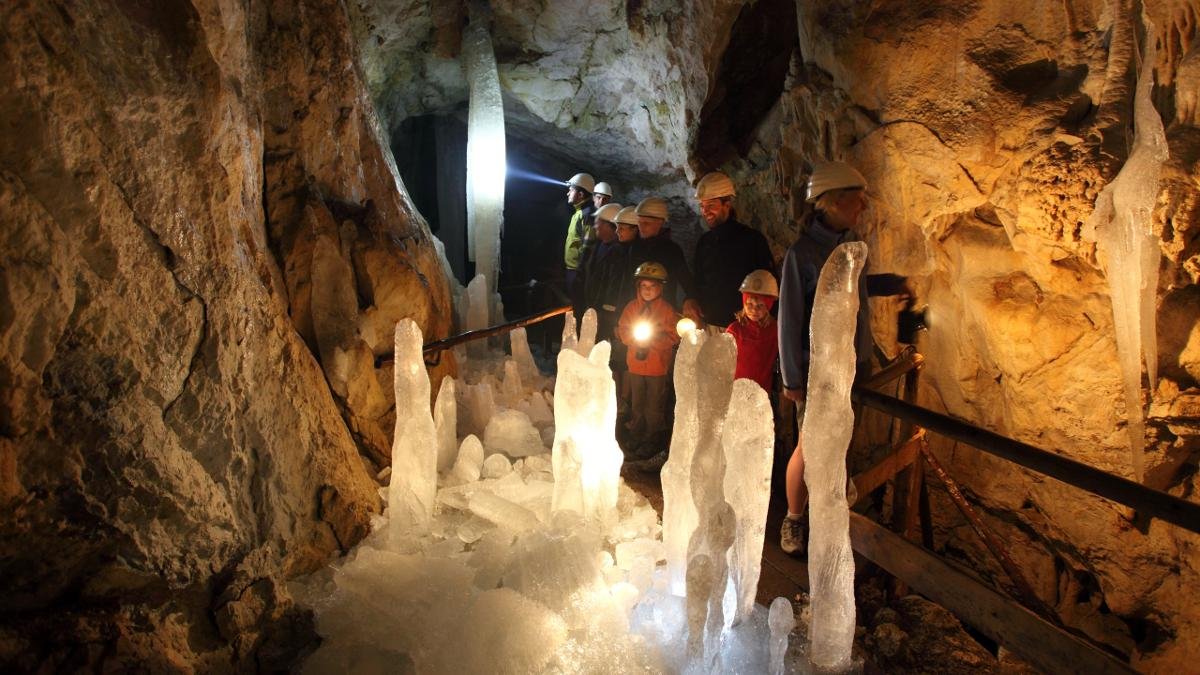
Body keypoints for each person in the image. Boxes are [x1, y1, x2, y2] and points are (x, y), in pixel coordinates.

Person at [777, 161, 908, 556]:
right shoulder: (801, 254)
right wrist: (791, 378)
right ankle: (794, 519)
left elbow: (856, 290)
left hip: (853, 365)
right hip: (817, 369)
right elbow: (790, 315)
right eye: (857, 200)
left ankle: (828, 514)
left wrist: (894, 283)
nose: (863, 207)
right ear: (830, 203)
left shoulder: (850, 246)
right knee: (809, 444)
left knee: (841, 441)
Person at [686, 172, 775, 328]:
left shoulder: (752, 240)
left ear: (727, 205)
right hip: (710, 325)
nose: (705, 211)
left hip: (743, 327)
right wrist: (690, 299)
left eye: (711, 205)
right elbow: (698, 280)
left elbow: (769, 286)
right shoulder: (704, 242)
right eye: (702, 206)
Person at [616, 262, 680, 468]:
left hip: (657, 368)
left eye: (652, 287)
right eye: (643, 286)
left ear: (660, 288)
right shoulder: (631, 308)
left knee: (654, 405)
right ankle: (636, 433)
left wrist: (653, 341)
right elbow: (623, 329)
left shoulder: (667, 311)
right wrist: (634, 340)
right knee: (637, 402)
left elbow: (673, 336)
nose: (647, 290)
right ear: (638, 287)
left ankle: (651, 438)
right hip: (636, 365)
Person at [631, 197, 694, 310]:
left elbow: (685, 280)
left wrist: (692, 299)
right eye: (639, 223)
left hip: (664, 311)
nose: (641, 227)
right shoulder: (635, 247)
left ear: (660, 222)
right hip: (636, 310)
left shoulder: (671, 251)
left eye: (646, 223)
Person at [726, 270, 779, 393]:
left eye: (760, 306)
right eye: (749, 304)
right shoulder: (734, 330)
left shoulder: (775, 330)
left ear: (768, 306)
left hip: (762, 393)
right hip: (737, 391)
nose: (754, 310)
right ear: (744, 304)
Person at [579, 202, 624, 340]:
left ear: (609, 225)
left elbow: (614, 283)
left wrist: (607, 310)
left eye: (598, 222)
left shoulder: (617, 251)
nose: (594, 226)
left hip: (604, 311)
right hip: (593, 306)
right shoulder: (600, 245)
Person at [562, 172, 596, 291]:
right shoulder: (580, 212)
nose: (568, 193)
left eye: (571, 190)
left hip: (578, 271)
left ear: (580, 194)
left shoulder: (587, 214)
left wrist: (580, 273)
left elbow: (588, 246)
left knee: (578, 305)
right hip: (574, 269)